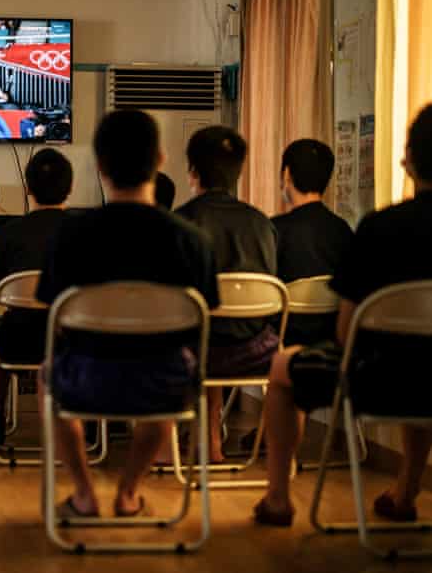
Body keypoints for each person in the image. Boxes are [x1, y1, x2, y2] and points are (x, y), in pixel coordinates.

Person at [255, 104, 432, 526]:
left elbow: (346, 329)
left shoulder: (379, 227)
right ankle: (405, 489)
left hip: (378, 380)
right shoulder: (342, 229)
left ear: (408, 160)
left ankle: (278, 497)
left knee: (281, 366)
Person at [36, 109, 219, 517]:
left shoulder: (71, 234)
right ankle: (128, 491)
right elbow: (204, 322)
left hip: (84, 380)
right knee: (182, 363)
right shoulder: (192, 240)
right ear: (160, 160)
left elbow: (54, 318)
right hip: (165, 384)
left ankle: (84, 493)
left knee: (46, 371)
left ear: (99, 164)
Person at [176, 126, 278, 462]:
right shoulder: (262, 224)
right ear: (239, 172)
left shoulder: (181, 222)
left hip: (195, 353)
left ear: (192, 171)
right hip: (257, 353)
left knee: (194, 328)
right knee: (219, 328)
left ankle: (203, 442)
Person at [0, 148, 73, 447]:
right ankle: (90, 425)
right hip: (72, 339)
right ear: (69, 188)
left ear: (28, 188)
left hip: (17, 340)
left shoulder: (8, 233)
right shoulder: (85, 231)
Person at [272, 139, 353, 345]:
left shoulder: (271, 230)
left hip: (282, 343)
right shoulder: (343, 230)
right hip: (332, 344)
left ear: (286, 174)